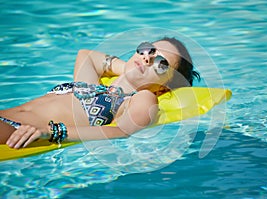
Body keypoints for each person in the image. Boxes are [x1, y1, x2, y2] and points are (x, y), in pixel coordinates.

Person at [0, 37, 200, 149]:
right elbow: (86, 56)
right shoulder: (97, 86)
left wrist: (55, 131)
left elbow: (122, 131)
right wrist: (129, 72)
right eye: (149, 49)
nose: (148, 58)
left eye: (161, 64)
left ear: (164, 87)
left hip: (21, 131)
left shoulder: (142, 98)